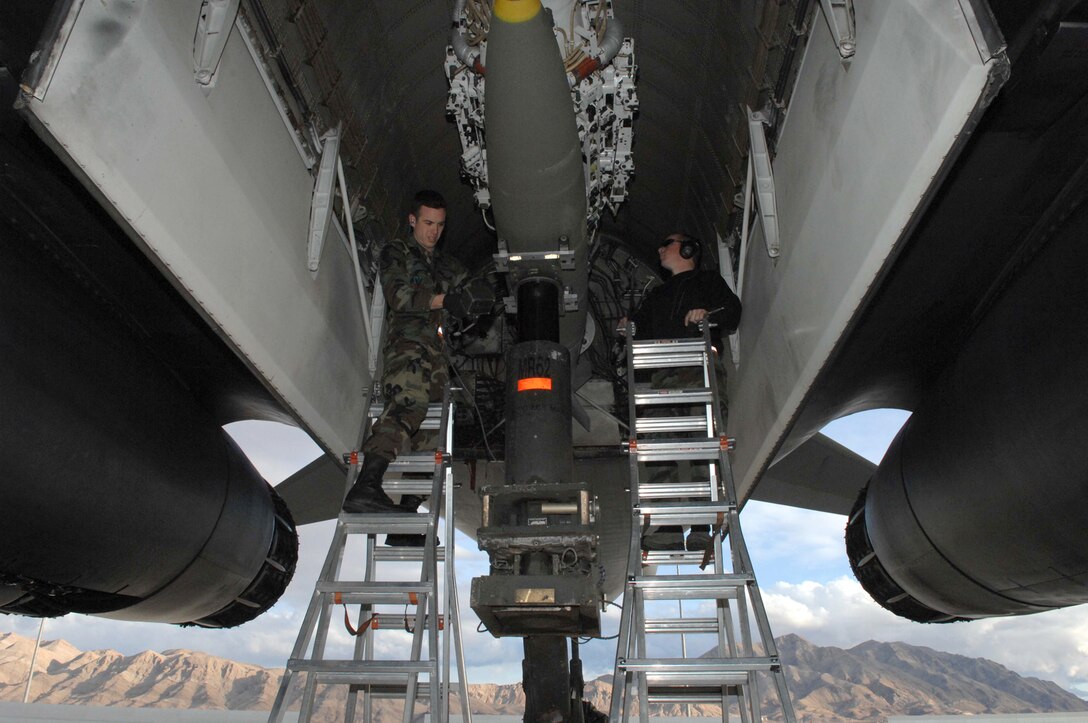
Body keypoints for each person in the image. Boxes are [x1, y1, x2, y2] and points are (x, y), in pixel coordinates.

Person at [342, 190, 483, 536]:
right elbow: (400, 297)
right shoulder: (397, 252)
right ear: (412, 220)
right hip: (408, 349)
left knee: (429, 440)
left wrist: (480, 296)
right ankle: (366, 487)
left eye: (440, 225)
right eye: (427, 223)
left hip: (437, 357)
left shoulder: (447, 265)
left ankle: (406, 516)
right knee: (407, 408)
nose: (434, 231)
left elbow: (472, 290)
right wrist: (447, 299)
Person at [629, 232, 741, 552]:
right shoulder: (657, 296)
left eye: (669, 243)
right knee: (661, 450)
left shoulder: (708, 282)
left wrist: (707, 313)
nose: (661, 248)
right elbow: (638, 329)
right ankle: (668, 525)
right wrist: (628, 326)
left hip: (698, 374)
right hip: (663, 379)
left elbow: (732, 311)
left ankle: (702, 523)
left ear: (689, 249)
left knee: (699, 449)